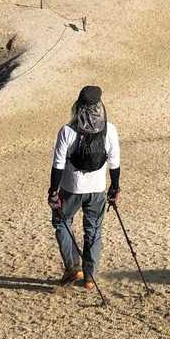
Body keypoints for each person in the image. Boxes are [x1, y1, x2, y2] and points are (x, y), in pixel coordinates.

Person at [49, 84, 121, 289]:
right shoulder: (109, 129)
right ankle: (90, 277)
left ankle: (73, 267)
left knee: (62, 223)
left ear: (78, 106)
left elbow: (58, 164)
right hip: (97, 189)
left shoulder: (67, 130)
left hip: (71, 188)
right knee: (94, 229)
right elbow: (114, 163)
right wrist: (114, 188)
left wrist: (53, 191)